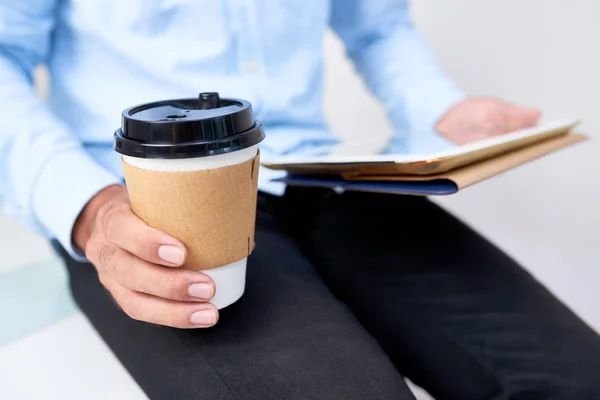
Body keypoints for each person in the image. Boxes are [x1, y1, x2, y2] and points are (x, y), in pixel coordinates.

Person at [1, 1, 599, 399]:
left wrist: (443, 109)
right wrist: (87, 209)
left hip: (319, 173)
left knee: (578, 378)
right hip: (144, 210)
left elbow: (376, 24)